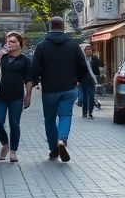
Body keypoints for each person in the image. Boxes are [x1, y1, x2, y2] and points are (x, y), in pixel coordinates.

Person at [32, 15, 89, 162]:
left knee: (50, 119)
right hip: (69, 88)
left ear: (51, 27)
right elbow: (82, 66)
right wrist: (78, 79)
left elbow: (35, 67)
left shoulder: (42, 45)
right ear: (63, 27)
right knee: (65, 116)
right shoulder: (73, 45)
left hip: (49, 89)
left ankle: (53, 149)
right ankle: (62, 139)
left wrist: (35, 81)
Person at [0, 32, 34, 163]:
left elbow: (28, 79)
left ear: (20, 44)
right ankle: (5, 144)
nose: (9, 43)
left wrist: (28, 95)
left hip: (16, 97)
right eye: (8, 41)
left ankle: (13, 151)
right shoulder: (2, 57)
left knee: (14, 124)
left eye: (13, 41)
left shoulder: (25, 60)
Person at [79, 43, 98, 119]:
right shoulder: (82, 60)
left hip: (91, 81)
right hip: (83, 81)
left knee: (91, 97)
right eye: (87, 49)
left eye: (90, 49)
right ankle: (84, 112)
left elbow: (97, 71)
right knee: (84, 97)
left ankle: (90, 112)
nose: (89, 51)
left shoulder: (94, 60)